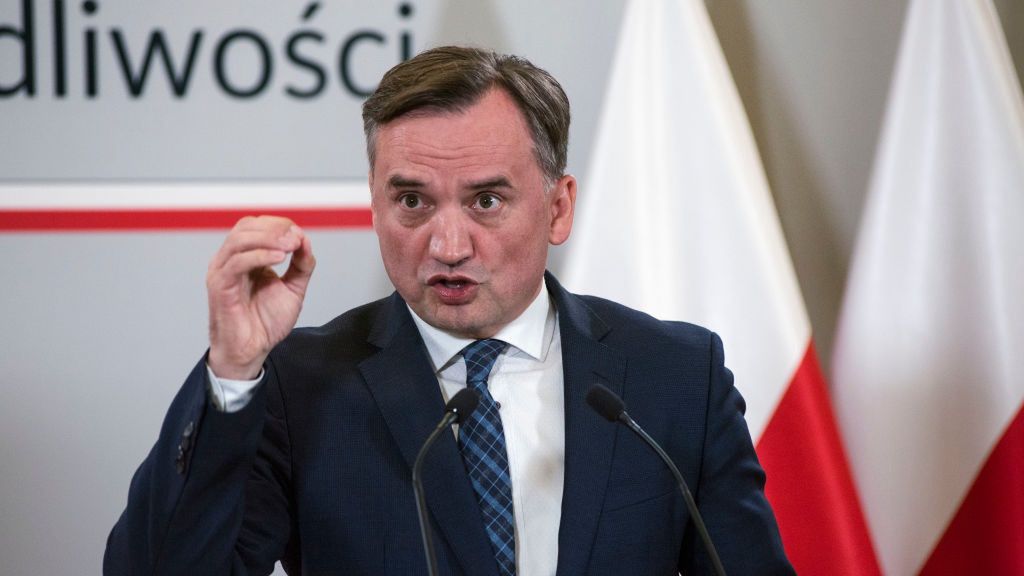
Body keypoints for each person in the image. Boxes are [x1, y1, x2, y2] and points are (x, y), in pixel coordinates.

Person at [104, 46, 793, 575]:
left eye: (486, 201)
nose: (448, 245)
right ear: (375, 205)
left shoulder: (674, 377)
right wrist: (231, 373)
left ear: (558, 208)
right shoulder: (299, 386)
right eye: (412, 202)